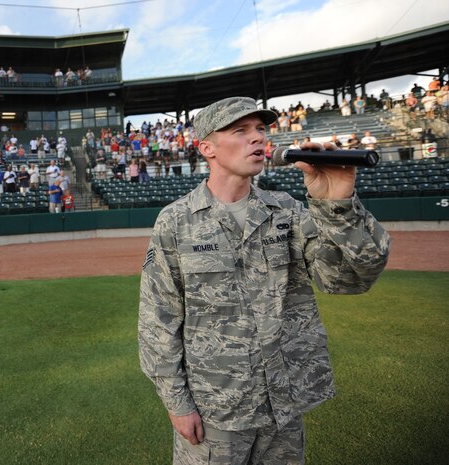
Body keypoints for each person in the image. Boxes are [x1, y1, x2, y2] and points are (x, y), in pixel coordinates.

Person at [138, 96, 389, 465]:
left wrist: (338, 203)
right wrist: (177, 402)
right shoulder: (176, 222)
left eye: (261, 130)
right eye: (240, 131)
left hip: (283, 404)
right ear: (206, 147)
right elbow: (157, 320)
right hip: (218, 409)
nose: (257, 138)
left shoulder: (286, 210)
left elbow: (348, 279)